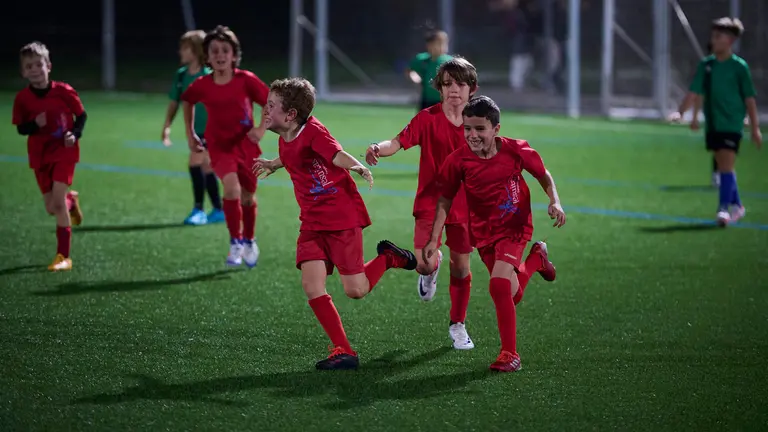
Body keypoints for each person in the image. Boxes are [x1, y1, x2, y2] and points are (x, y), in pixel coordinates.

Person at [253, 77, 417, 370]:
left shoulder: (314, 132)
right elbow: (292, 154)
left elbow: (336, 153)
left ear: (291, 115)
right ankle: (343, 350)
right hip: (312, 223)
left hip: (342, 219)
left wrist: (357, 166)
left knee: (356, 290)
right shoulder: (285, 137)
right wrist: (273, 164)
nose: (265, 110)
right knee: (311, 284)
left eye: (271, 105)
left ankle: (389, 258)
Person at [424, 95, 565, 372]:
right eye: (467, 128)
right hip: (484, 232)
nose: (472, 135)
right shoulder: (458, 161)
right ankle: (537, 259)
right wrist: (433, 238)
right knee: (512, 295)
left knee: (498, 285)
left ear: (496, 129)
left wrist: (555, 200)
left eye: (480, 129)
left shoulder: (516, 150)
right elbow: (445, 200)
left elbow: (542, 174)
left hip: (515, 226)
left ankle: (510, 354)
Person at [366, 58, 477, 350]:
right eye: (448, 84)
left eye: (461, 83)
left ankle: (458, 325)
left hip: (465, 205)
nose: (454, 89)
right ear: (439, 89)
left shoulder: (478, 122)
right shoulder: (427, 119)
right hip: (431, 203)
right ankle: (432, 267)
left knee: (461, 268)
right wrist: (378, 148)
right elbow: (397, 142)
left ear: (472, 88)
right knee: (424, 265)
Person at [181, 25, 269, 267]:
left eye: (225, 50)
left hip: (247, 146)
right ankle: (235, 242)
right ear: (207, 57)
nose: (220, 55)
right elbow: (187, 101)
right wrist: (190, 134)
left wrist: (260, 129)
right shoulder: (203, 84)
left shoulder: (246, 80)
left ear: (234, 55)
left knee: (248, 197)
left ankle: (249, 240)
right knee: (231, 189)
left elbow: (269, 102)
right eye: (214, 51)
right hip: (220, 147)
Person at [678, 17, 761, 226]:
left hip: (732, 123)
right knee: (725, 165)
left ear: (730, 41)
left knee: (725, 165)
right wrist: (681, 113)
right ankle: (738, 205)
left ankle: (723, 209)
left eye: (718, 37)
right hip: (713, 123)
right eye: (713, 36)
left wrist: (755, 128)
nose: (713, 40)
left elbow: (749, 99)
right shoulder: (707, 65)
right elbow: (694, 92)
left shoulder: (739, 67)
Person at [12, 41, 86, 272]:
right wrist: (35, 124)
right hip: (39, 155)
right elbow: (21, 128)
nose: (35, 70)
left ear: (49, 66)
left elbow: (81, 115)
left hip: (64, 152)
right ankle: (71, 201)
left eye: (39, 64)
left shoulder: (64, 91)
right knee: (52, 207)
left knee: (57, 204)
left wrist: (75, 134)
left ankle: (64, 256)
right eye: (29, 66)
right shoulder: (22, 99)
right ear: (23, 72)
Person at [161, 30, 224, 226]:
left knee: (195, 163)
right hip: (195, 131)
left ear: (195, 50)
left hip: (212, 131)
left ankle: (199, 210)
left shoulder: (209, 75)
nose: (180, 52)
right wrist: (167, 126)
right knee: (206, 167)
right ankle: (218, 210)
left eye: (184, 48)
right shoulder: (181, 76)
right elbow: (174, 102)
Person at [405, 29, 453, 111]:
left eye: (444, 43)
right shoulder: (422, 59)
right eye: (438, 44)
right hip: (426, 100)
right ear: (429, 45)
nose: (442, 47)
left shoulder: (451, 61)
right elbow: (410, 70)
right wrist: (414, 77)